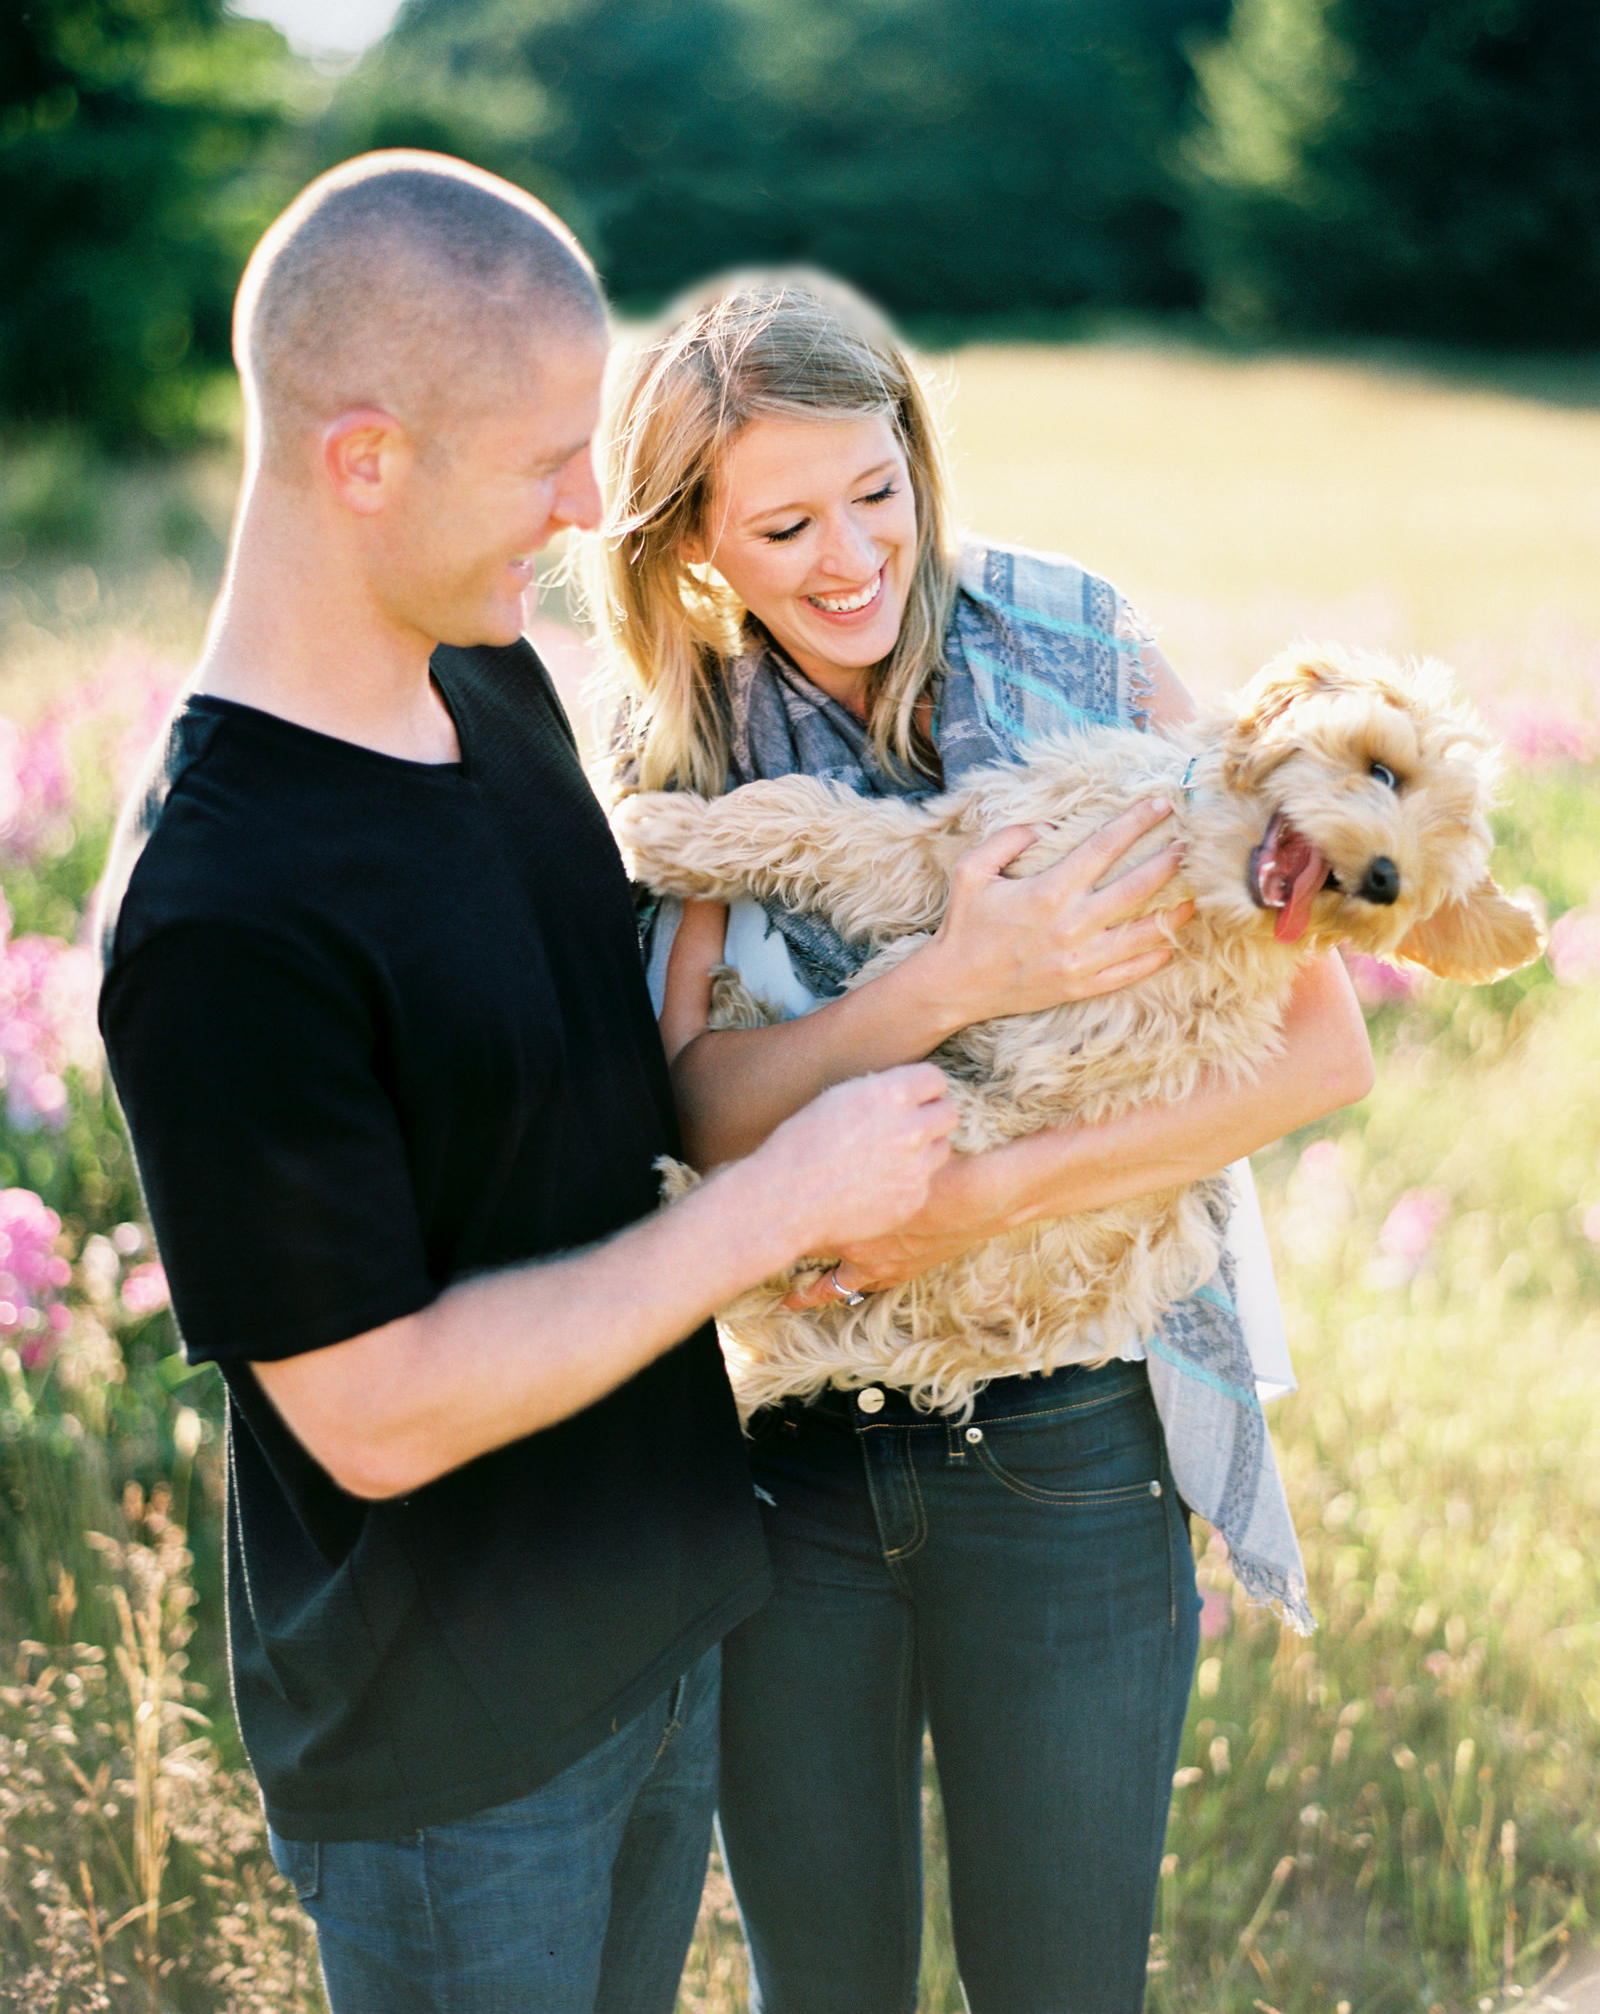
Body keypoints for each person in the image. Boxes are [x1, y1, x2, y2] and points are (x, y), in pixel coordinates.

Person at [94, 158, 963, 2014]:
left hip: (661, 1630)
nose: (591, 510)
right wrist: (775, 1209)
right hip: (453, 1756)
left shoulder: (490, 686)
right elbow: (379, 1414)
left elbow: (589, 1109)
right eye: (543, 459)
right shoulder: (219, 910)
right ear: (363, 460)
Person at [584, 274, 1376, 2014]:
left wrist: (980, 1200)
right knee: (828, 1988)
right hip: (787, 1461)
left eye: (878, 490)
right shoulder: (685, 735)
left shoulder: (1079, 639)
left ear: (915, 452)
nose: (853, 554)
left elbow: (1321, 1048)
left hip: (1069, 1440)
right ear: (694, 545)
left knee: (1061, 1984)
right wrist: (951, 978)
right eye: (783, 524)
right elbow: (697, 1109)